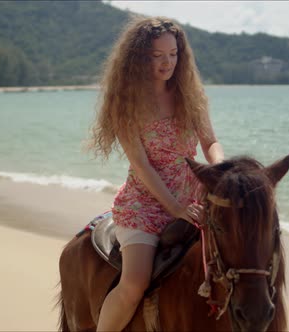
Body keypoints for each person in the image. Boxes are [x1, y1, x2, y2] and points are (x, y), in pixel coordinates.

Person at [88, 16, 224, 331]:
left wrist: (219, 172)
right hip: (146, 202)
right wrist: (174, 207)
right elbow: (141, 164)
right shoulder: (126, 103)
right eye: (157, 56)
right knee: (135, 284)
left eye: (173, 54)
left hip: (194, 196)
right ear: (138, 58)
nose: (168, 63)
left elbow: (210, 142)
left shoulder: (190, 94)